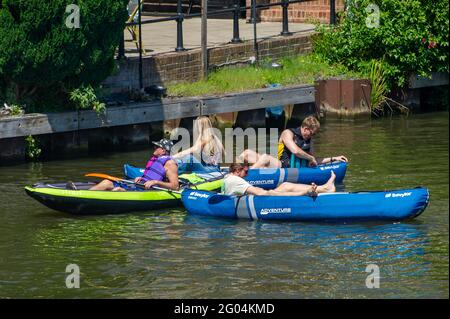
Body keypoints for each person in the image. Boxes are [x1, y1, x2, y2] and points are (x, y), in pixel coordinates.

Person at [238, 115, 348, 168]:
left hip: (288, 169)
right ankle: (237, 172)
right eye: (312, 133)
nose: (313, 136)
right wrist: (310, 158)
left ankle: (246, 174)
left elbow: (314, 160)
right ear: (305, 129)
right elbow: (295, 151)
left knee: (265, 158)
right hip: (280, 164)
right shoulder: (288, 133)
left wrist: (334, 158)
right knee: (246, 153)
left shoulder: (309, 141)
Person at [87, 139, 179, 192]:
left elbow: (175, 186)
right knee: (107, 182)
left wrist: (156, 182)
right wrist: (141, 177)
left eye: (157, 146)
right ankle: (85, 195)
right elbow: (150, 175)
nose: (154, 147)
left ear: (163, 150)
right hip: (139, 184)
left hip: (148, 190)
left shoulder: (170, 163)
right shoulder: (155, 160)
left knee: (117, 190)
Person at [222, 162, 336, 197]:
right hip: (261, 199)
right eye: (245, 172)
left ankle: (325, 188)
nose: (247, 175)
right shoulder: (236, 180)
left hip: (247, 197)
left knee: (285, 185)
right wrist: (271, 192)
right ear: (237, 171)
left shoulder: (228, 178)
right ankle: (307, 192)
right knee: (272, 191)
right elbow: (259, 193)